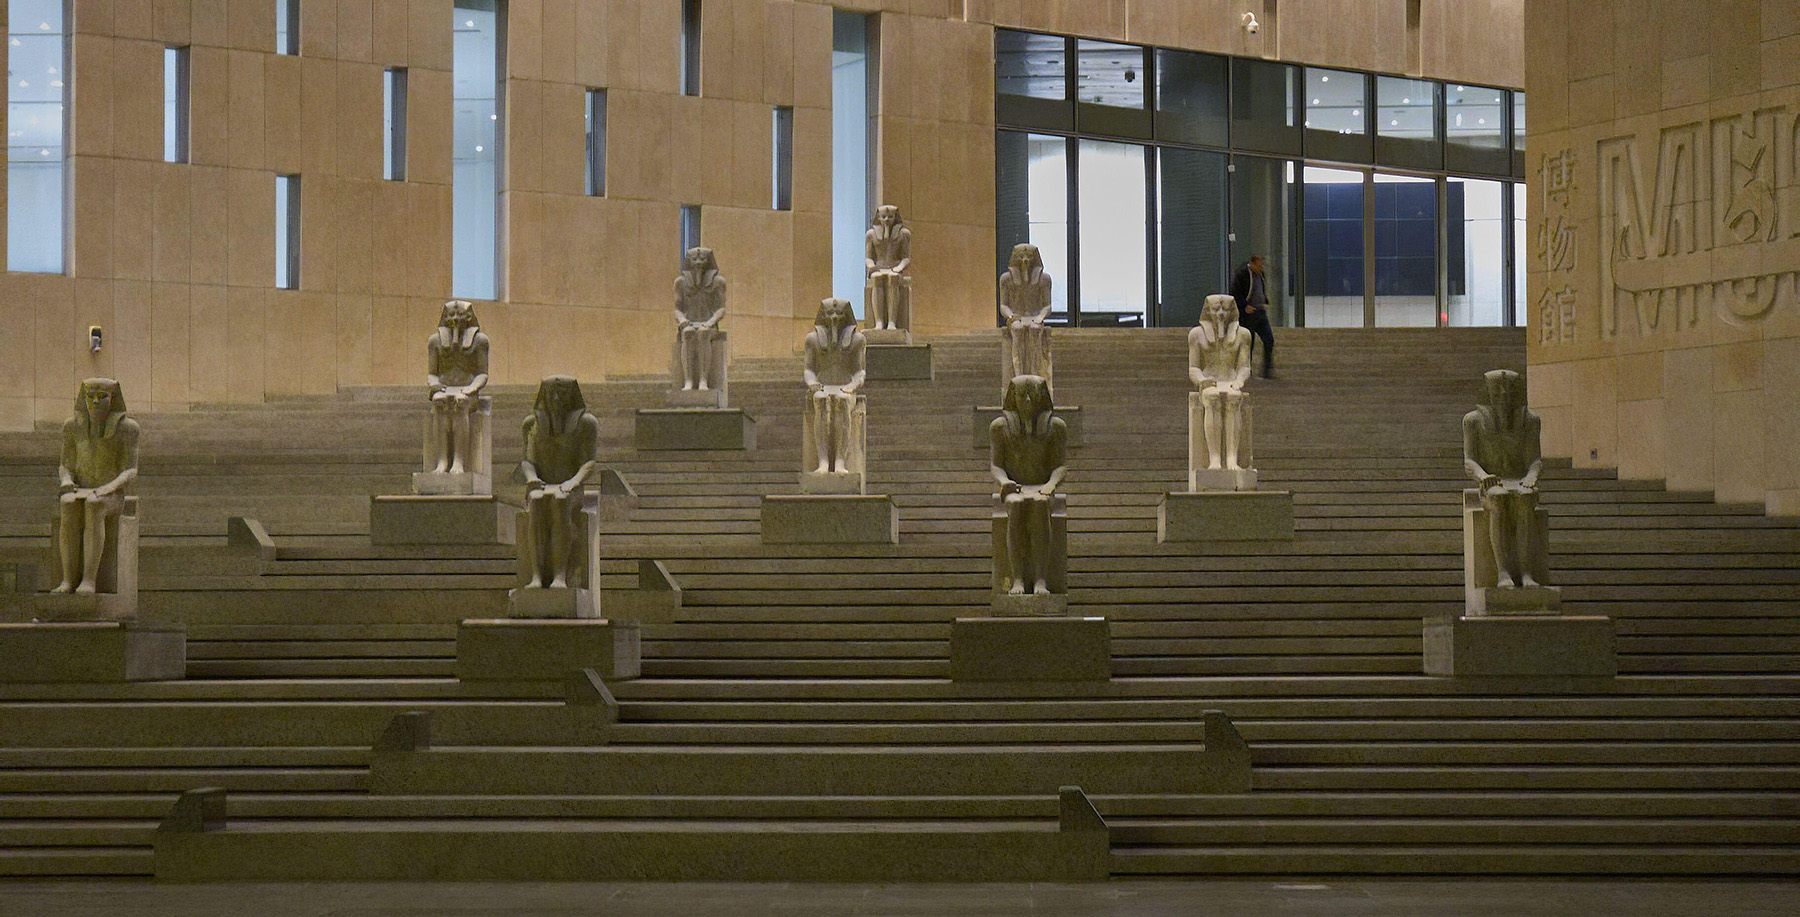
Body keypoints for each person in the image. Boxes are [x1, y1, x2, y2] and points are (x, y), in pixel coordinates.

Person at [1229, 255, 1276, 379]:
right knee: (1248, 342)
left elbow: (1261, 290)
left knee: (1269, 339)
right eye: (1259, 265)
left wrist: (1265, 301)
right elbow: (1234, 293)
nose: (1261, 268)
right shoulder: (1243, 274)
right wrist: (1245, 306)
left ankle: (1267, 370)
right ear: (1253, 264)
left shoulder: (1261, 275)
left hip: (1260, 312)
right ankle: (1245, 371)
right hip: (1248, 314)